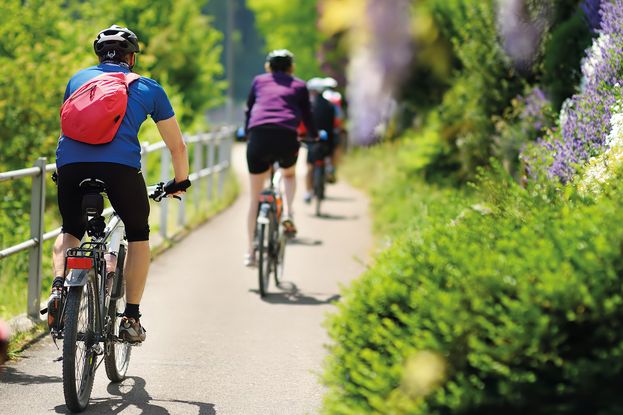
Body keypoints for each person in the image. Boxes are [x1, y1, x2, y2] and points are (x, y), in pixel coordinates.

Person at [47, 25, 190, 343]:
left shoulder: (78, 80)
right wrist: (180, 181)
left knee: (70, 230)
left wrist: (65, 169)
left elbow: (70, 127)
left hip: (71, 167)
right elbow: (177, 147)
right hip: (120, 170)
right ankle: (131, 318)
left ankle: (58, 288)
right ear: (132, 58)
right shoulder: (148, 87)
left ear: (99, 56)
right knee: (138, 234)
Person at [244, 49, 318, 267]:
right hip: (286, 137)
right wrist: (314, 135)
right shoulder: (299, 85)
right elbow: (307, 115)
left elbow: (249, 109)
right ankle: (287, 211)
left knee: (255, 198)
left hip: (258, 137)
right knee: (288, 174)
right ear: (291, 67)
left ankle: (250, 253)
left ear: (268, 67)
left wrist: (246, 132)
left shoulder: (258, 81)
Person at [303, 77, 335, 203]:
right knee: (328, 155)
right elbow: (333, 125)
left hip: (312, 140)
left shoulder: (309, 105)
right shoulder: (330, 105)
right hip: (327, 141)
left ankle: (308, 192)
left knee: (309, 167)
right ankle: (329, 168)